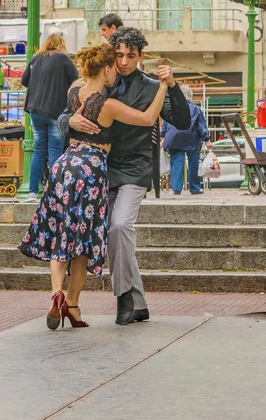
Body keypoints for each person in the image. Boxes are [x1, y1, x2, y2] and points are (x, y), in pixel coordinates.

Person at [18, 44, 169, 329]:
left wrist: (68, 120)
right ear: (108, 68)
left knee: (61, 233)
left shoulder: (74, 91)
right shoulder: (108, 104)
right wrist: (162, 87)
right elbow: (149, 119)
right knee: (83, 239)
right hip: (90, 168)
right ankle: (72, 300)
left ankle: (58, 295)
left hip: (63, 165)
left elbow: (65, 112)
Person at [58, 27, 191, 325]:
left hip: (134, 167)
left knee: (119, 227)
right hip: (100, 168)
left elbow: (182, 120)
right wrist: (69, 121)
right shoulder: (102, 80)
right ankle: (137, 302)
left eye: (131, 56)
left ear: (141, 56)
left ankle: (124, 298)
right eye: (119, 55)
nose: (124, 62)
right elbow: (65, 111)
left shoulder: (149, 86)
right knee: (112, 233)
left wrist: (171, 86)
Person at [21, 33, 79, 199]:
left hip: (35, 111)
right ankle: (54, 191)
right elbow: (76, 80)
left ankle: (32, 191)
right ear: (61, 44)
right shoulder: (63, 58)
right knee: (55, 150)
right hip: (55, 110)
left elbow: (25, 81)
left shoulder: (35, 58)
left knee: (39, 151)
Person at [160, 84, 212, 195]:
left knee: (177, 163)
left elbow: (165, 123)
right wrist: (206, 140)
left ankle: (177, 188)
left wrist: (163, 136)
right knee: (193, 163)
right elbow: (200, 126)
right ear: (191, 96)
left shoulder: (172, 108)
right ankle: (194, 188)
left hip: (174, 139)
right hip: (191, 139)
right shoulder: (195, 109)